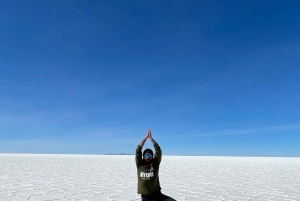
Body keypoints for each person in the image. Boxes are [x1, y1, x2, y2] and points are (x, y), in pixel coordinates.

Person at [135, 129, 176, 201]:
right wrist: (145, 138)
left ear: (152, 156)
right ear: (143, 156)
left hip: (157, 194)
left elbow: (158, 150)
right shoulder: (139, 165)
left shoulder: (155, 164)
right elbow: (138, 151)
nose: (148, 157)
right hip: (146, 197)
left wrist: (151, 139)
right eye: (146, 155)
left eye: (150, 155)